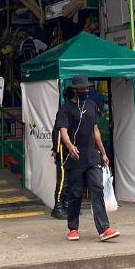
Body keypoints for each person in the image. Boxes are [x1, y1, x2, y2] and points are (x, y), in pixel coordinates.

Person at [56, 74, 119, 242]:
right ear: (75, 90)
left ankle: (104, 229)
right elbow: (63, 131)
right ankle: (73, 229)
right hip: (74, 159)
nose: (86, 91)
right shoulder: (65, 109)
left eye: (87, 88)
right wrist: (70, 147)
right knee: (75, 194)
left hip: (92, 157)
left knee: (97, 189)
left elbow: (95, 131)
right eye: (82, 89)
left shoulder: (91, 105)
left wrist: (103, 153)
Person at [50, 86, 77, 220]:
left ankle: (66, 205)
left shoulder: (74, 108)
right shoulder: (65, 109)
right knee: (63, 178)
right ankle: (58, 206)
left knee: (70, 178)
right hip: (63, 150)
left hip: (71, 149)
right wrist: (57, 149)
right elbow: (59, 132)